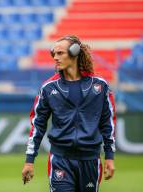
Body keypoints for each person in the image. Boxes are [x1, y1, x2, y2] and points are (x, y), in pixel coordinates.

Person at [22, 35, 116, 192]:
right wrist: (29, 160)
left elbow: (108, 124)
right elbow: (37, 125)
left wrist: (110, 157)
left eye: (60, 53)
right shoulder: (48, 88)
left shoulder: (100, 86)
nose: (55, 58)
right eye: (54, 54)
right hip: (60, 160)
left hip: (91, 160)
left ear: (74, 52)